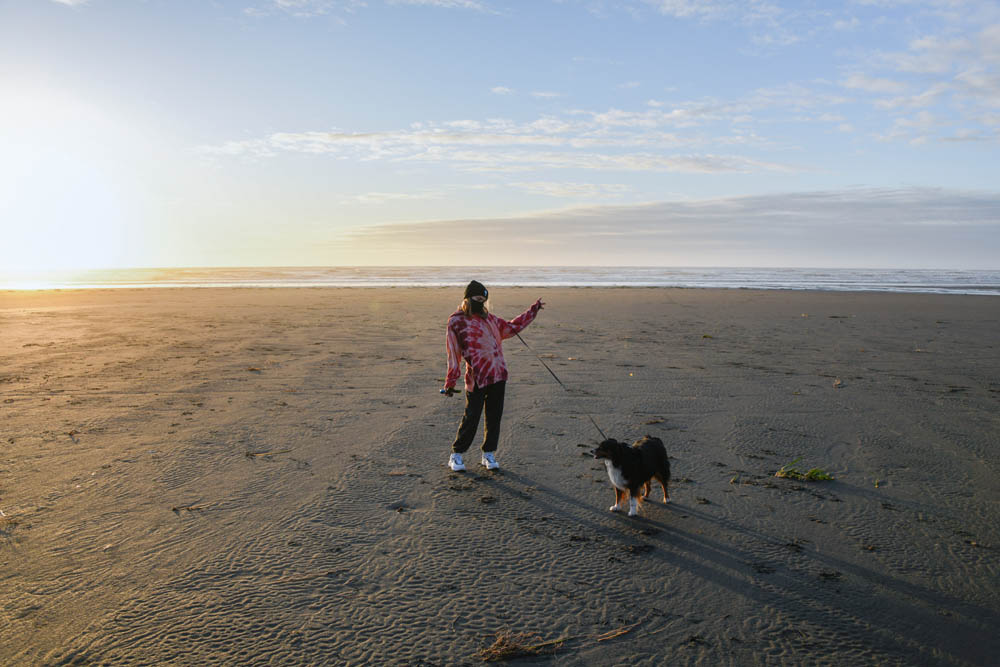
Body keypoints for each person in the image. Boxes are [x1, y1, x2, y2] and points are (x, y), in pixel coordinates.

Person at [442, 280, 544, 471]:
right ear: (467, 298)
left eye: (484, 300)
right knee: (472, 416)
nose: (481, 303)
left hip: (498, 374)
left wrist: (533, 311)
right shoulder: (456, 321)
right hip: (477, 378)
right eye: (477, 299)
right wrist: (450, 381)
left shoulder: (491, 319)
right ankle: (456, 455)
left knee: (494, 416)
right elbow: (453, 353)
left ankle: (488, 454)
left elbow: (512, 327)